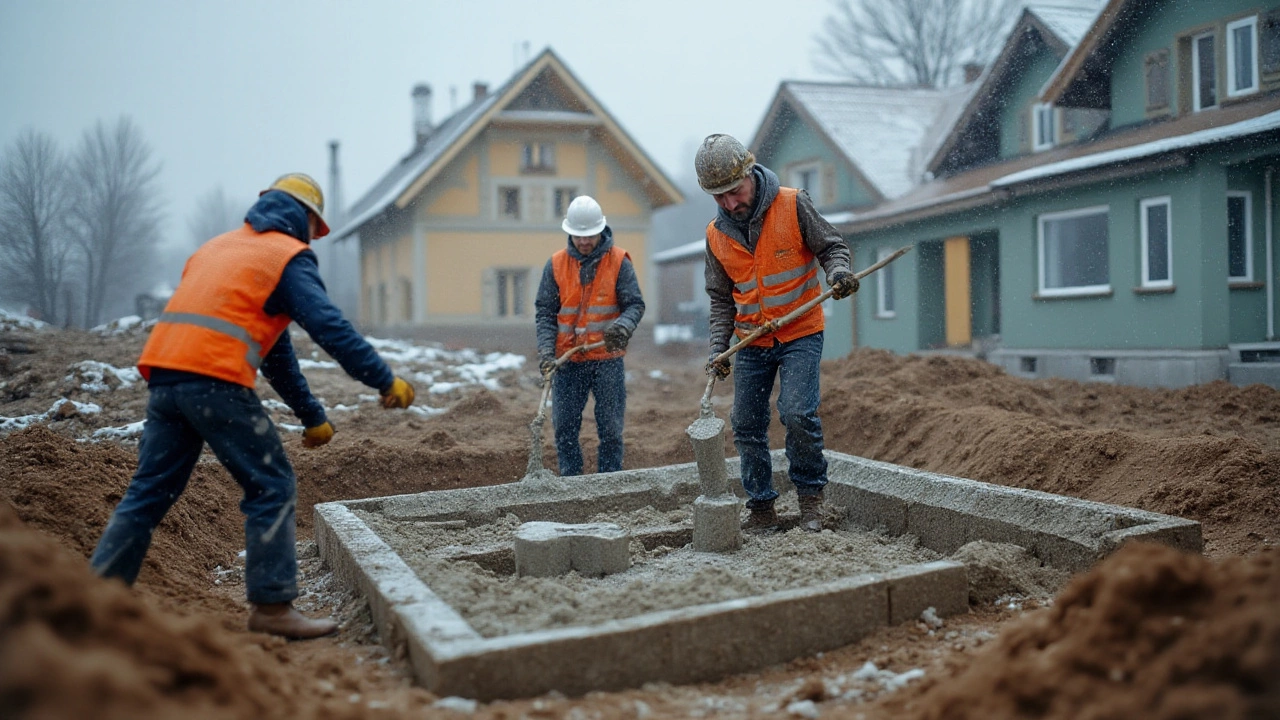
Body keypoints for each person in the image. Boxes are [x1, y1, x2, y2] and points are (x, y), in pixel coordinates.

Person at [89, 173, 416, 639]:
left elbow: (276, 354)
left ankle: (95, 599)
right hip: (214, 382)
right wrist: (385, 379)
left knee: (148, 492)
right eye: (314, 229)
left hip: (164, 379)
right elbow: (329, 326)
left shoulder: (217, 249)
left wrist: (312, 416)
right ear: (306, 219)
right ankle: (272, 606)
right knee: (271, 484)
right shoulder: (286, 257)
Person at [695, 134, 859, 533]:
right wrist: (720, 349)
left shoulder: (792, 203)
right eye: (720, 197)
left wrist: (838, 273)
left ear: (750, 173)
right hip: (753, 341)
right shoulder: (716, 234)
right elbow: (721, 299)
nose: (731, 203)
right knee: (746, 422)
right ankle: (762, 508)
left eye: (735, 191)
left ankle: (811, 502)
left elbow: (832, 247)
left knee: (797, 413)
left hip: (800, 332)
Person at [534, 195, 645, 476]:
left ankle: (609, 481)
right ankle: (571, 484)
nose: (584, 242)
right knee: (565, 428)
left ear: (601, 231)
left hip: (607, 359)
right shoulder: (556, 265)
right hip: (568, 362)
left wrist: (622, 327)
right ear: (569, 232)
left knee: (610, 429)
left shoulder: (619, 262)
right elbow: (545, 313)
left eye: (589, 236)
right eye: (578, 236)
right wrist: (547, 352)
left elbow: (635, 304)